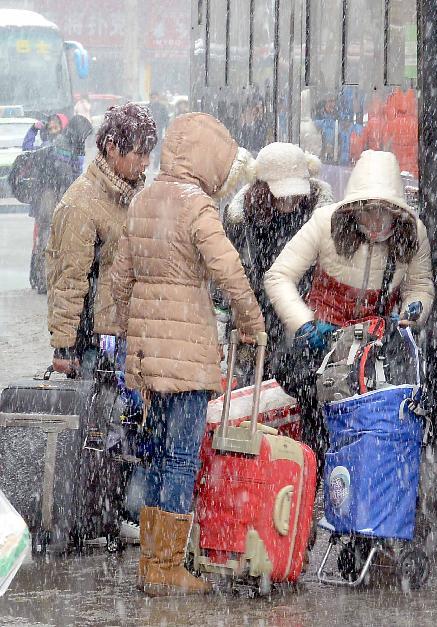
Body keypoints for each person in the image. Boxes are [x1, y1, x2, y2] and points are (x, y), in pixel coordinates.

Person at [111, 112, 265, 597]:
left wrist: (130, 333)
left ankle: (152, 563)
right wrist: (250, 319)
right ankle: (167, 567)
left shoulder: (142, 200)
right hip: (189, 353)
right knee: (181, 459)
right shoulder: (197, 205)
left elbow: (119, 280)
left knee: (158, 455)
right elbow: (228, 268)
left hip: (148, 357)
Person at [264, 150, 435, 473]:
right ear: (354, 208)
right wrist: (304, 325)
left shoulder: (415, 234)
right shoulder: (323, 224)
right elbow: (278, 275)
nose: (376, 221)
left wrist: (415, 310)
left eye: (385, 212)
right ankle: (316, 493)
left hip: (374, 353)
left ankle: (356, 501)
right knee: (320, 429)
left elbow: (420, 286)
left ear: (398, 212)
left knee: (367, 433)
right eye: (368, 211)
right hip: (322, 349)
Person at [45, 105, 157, 378]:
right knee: (102, 418)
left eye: (149, 154)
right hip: (96, 343)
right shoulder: (80, 205)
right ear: (111, 147)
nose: (145, 163)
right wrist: (64, 347)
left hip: (127, 334)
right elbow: (68, 280)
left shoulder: (131, 194)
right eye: (139, 153)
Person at [224, 142, 333, 385]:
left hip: (305, 318)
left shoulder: (319, 216)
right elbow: (232, 273)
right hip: (258, 319)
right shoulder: (242, 220)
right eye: (285, 193)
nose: (292, 199)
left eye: (297, 192)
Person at [28, 115, 93, 294]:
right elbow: (65, 174)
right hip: (50, 196)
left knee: (52, 238)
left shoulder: (71, 143)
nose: (84, 139)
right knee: (48, 238)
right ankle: (43, 280)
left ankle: (46, 278)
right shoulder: (63, 144)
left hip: (56, 195)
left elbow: (76, 171)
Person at [148, 92, 170, 169]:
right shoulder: (147, 107)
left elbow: (166, 119)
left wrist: (166, 129)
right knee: (148, 149)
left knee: (158, 150)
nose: (154, 99)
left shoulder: (162, 107)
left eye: (155, 97)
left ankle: (155, 166)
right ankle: (147, 166)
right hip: (148, 132)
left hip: (159, 131)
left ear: (158, 98)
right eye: (152, 97)